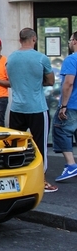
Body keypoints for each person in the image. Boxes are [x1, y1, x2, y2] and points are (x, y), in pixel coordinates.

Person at [7, 27, 57, 193]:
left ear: (20, 39)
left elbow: (12, 80)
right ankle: (42, 181)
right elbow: (50, 81)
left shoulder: (11, 58)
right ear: (34, 39)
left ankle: (14, 180)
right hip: (36, 108)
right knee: (40, 145)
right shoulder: (41, 58)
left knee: (15, 145)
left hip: (16, 108)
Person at [53, 32, 77, 182]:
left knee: (60, 129)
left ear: (75, 41)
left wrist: (63, 106)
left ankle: (71, 165)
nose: (69, 43)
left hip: (72, 104)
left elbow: (68, 83)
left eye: (70, 40)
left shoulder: (72, 59)